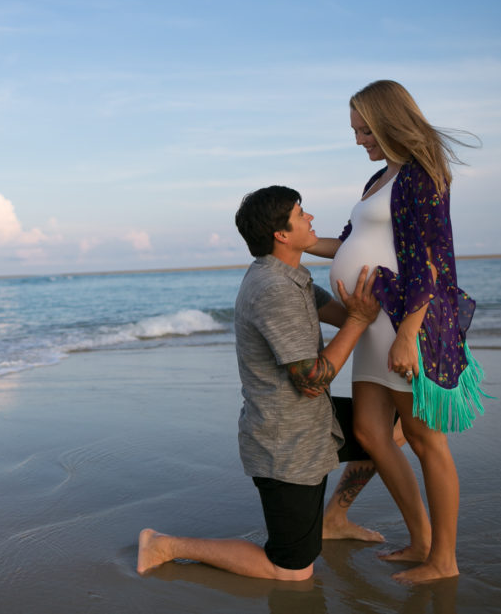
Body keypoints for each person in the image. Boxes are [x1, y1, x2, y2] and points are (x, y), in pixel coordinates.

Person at [136, 185, 381, 581]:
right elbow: (311, 379)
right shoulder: (274, 290)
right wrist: (357, 321)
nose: (311, 219)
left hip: (315, 423)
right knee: (290, 572)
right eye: (302, 214)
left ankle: (333, 519)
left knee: (388, 427)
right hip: (286, 443)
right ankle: (165, 544)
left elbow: (344, 314)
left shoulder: (291, 276)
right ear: (281, 234)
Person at [307, 80, 488, 584]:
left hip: (402, 322)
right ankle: (421, 541)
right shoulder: (378, 179)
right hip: (370, 321)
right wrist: (285, 246)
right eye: (356, 130)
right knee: (368, 431)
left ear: (389, 121)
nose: (359, 139)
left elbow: (431, 260)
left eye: (365, 129)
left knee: (423, 438)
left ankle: (443, 559)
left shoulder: (421, 176)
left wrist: (409, 334)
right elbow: (347, 242)